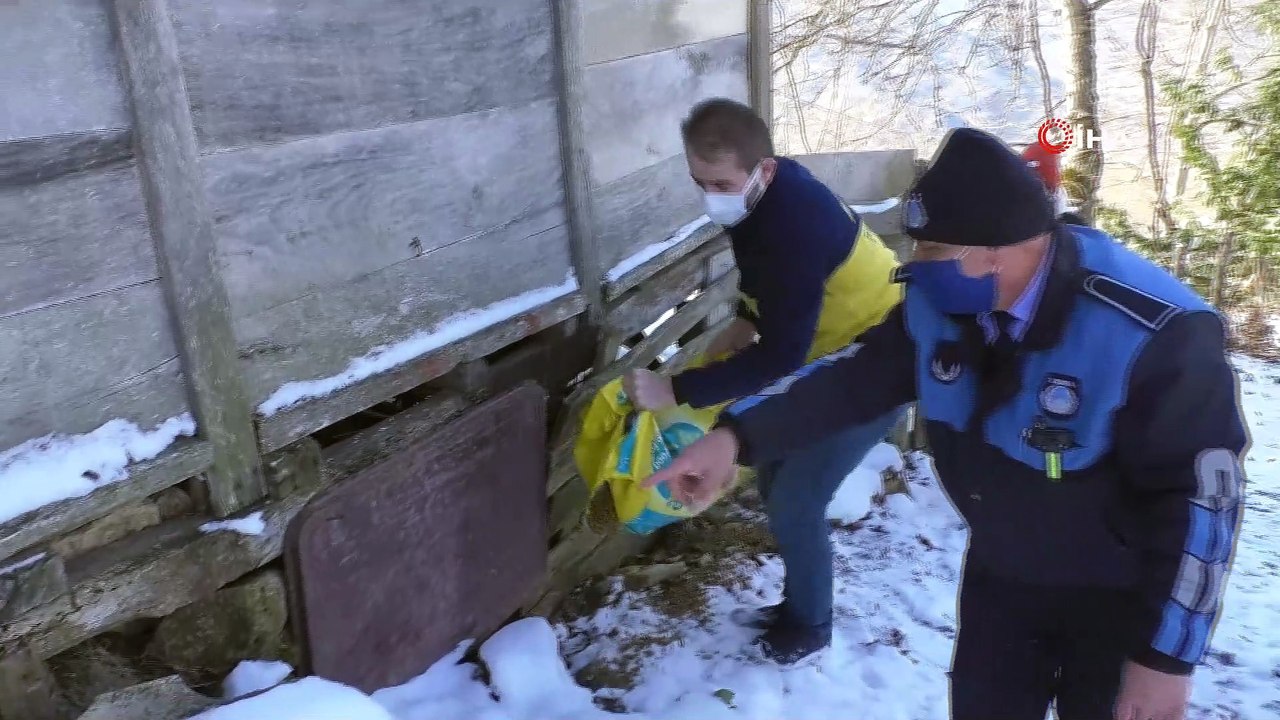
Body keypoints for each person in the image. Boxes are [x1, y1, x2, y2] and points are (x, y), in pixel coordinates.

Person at [644, 127, 1247, 720]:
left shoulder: (1155, 332)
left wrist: (1165, 659)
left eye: (932, 250)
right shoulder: (944, 303)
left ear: (996, 249)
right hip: (1002, 576)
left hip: (1120, 602)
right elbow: (853, 378)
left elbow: (1202, 499)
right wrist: (734, 437)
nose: (917, 265)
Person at [622, 97, 906, 664]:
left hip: (879, 361)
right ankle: (799, 601)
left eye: (721, 182)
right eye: (698, 182)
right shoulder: (760, 201)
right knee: (776, 481)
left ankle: (811, 625)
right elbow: (772, 294)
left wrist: (674, 390)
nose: (711, 197)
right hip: (828, 352)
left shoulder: (791, 224)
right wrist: (744, 324)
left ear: (764, 168)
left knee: (797, 500)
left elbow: (780, 355)